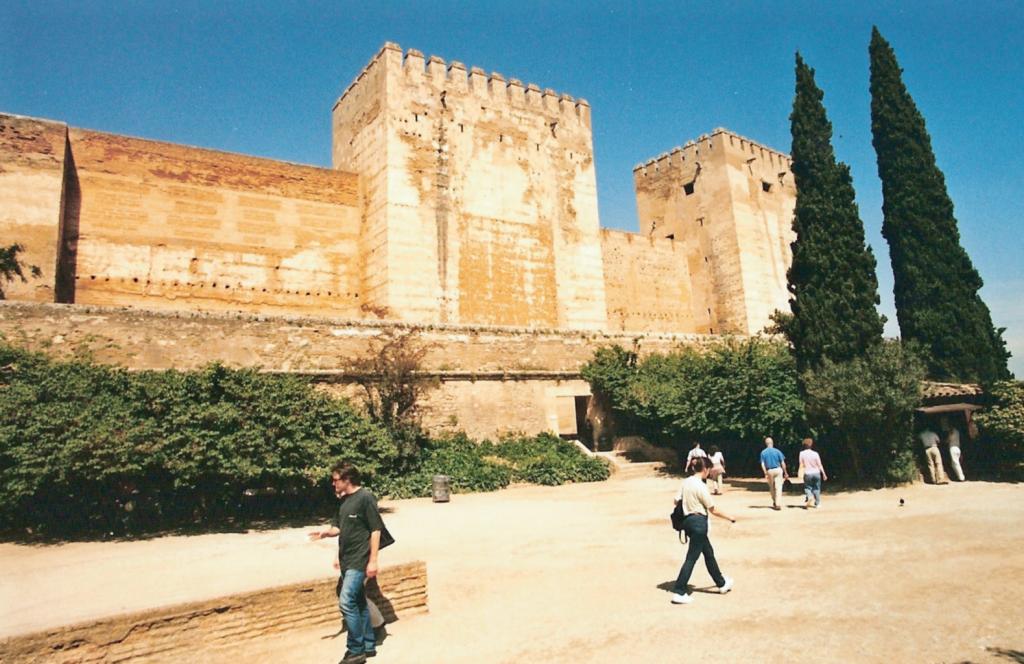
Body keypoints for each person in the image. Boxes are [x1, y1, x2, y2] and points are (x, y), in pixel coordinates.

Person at [309, 463, 384, 664]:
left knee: (346, 601)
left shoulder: (366, 498)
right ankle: (368, 644)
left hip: (360, 560)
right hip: (346, 559)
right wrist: (325, 534)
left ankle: (355, 650)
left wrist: (373, 561)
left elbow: (376, 529)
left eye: (336, 480)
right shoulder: (343, 501)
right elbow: (339, 528)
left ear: (347, 480)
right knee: (358, 602)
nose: (333, 484)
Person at [671, 456, 736, 605]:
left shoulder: (686, 482)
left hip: (688, 522)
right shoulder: (701, 486)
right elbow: (713, 509)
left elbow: (675, 501)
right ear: (705, 469)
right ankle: (679, 591)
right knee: (691, 558)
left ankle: (721, 583)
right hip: (699, 523)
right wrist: (729, 517)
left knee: (708, 553)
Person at [759, 437, 789, 510]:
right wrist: (785, 472)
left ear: (766, 444)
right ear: (772, 443)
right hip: (778, 469)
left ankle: (774, 501)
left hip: (769, 471)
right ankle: (778, 504)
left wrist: (765, 473)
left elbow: (762, 464)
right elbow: (782, 463)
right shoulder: (777, 451)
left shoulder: (763, 452)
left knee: (771, 487)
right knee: (778, 487)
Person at [798, 438, 827, 508]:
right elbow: (819, 464)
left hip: (807, 473)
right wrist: (824, 474)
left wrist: (800, 472)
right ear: (811, 445)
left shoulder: (802, 453)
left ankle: (809, 496)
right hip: (816, 473)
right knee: (817, 488)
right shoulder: (815, 453)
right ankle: (817, 503)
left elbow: (801, 464)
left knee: (808, 487)